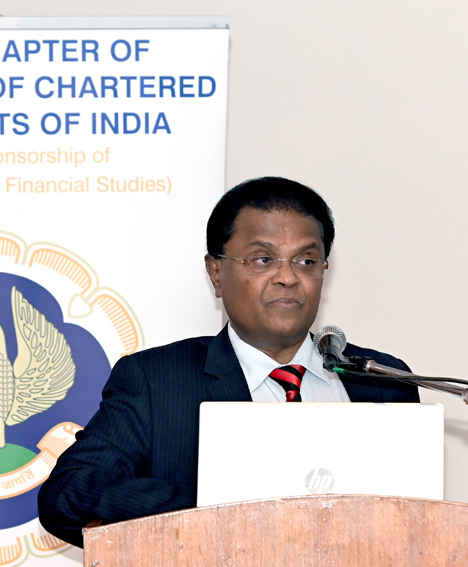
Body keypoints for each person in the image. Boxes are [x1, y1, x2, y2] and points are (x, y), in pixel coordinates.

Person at [37, 176, 419, 547]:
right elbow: (70, 492)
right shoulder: (157, 381)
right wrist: (223, 510)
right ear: (216, 272)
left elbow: (414, 520)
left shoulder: (383, 381)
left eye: (306, 260)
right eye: (263, 259)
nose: (288, 277)